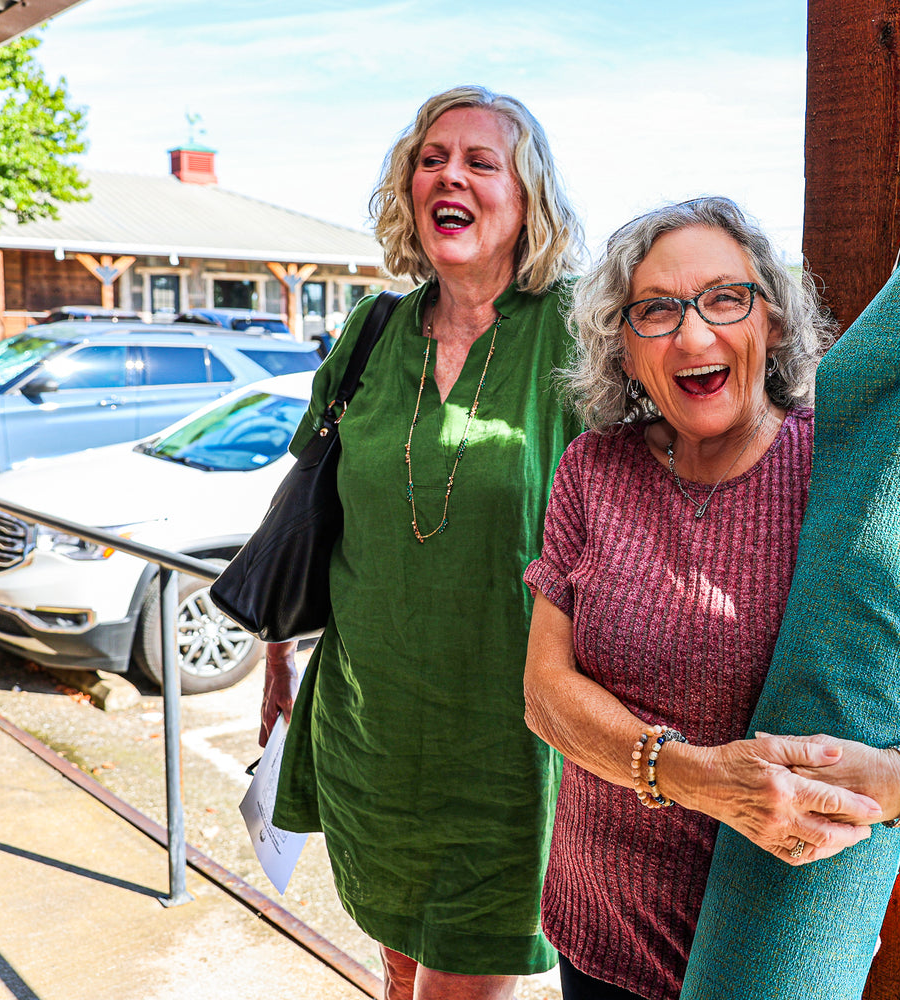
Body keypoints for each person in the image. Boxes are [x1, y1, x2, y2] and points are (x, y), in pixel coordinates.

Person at [522, 197, 900, 1000]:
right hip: (598, 936)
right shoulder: (591, 469)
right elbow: (545, 695)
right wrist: (690, 774)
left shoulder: (843, 472)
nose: (693, 336)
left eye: (726, 298)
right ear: (622, 348)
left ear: (776, 323)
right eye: (655, 310)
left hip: (768, 962)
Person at [259, 86, 583, 1000]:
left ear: (528, 201)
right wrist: (279, 665)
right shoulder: (370, 333)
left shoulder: (579, 333)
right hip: (369, 734)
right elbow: (313, 519)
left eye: (483, 162)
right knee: (399, 963)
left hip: (507, 751)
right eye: (432, 159)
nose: (452, 175)